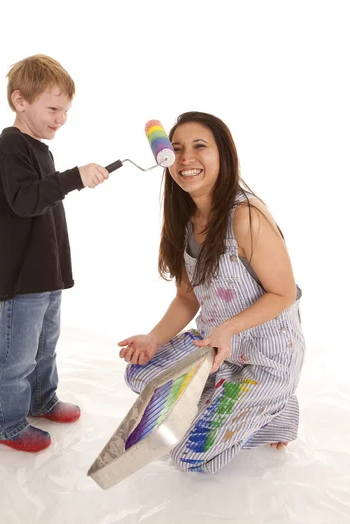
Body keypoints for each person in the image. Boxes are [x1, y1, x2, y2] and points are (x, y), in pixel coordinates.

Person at [118, 111, 305, 473]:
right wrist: (154, 339)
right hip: (214, 351)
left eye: (199, 147)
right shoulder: (184, 220)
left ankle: (277, 410)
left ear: (224, 155)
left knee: (187, 457)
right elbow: (188, 297)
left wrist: (230, 328)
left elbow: (282, 294)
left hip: (264, 359)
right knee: (140, 374)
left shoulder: (246, 216)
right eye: (177, 149)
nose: (186, 158)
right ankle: (234, 403)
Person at [0, 54, 109, 452]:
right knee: (15, 353)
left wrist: (60, 267)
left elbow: (45, 211)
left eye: (66, 110)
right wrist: (73, 177)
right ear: (21, 101)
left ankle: (41, 399)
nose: (61, 118)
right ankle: (4, 423)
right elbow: (24, 201)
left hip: (45, 273)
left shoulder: (38, 148)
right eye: (53, 108)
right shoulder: (11, 147)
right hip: (22, 275)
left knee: (44, 344)